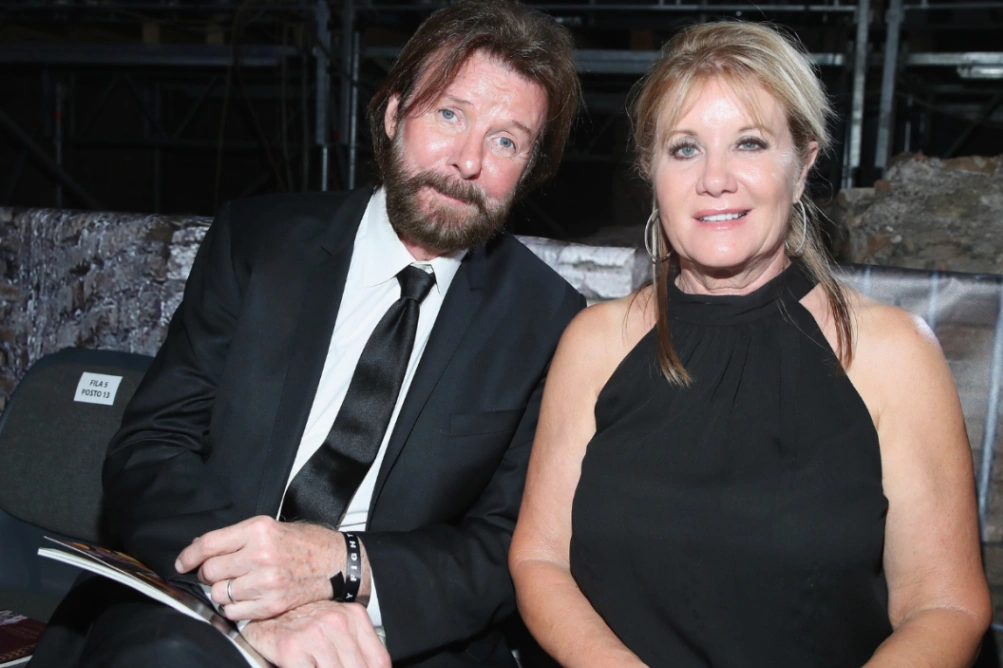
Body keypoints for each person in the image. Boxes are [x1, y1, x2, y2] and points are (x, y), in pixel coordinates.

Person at [29, 1, 584, 666]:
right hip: (202, 602)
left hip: (392, 626)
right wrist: (258, 592)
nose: (468, 161)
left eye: (506, 141)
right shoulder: (258, 243)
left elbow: (505, 546)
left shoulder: (545, 319)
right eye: (449, 114)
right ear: (392, 114)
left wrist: (344, 566)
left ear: (528, 167)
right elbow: (151, 447)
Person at [509, 21, 991, 667]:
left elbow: (944, 606)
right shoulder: (595, 345)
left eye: (749, 143)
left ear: (803, 164)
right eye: (685, 148)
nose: (715, 178)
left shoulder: (891, 355)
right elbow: (540, 559)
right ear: (649, 169)